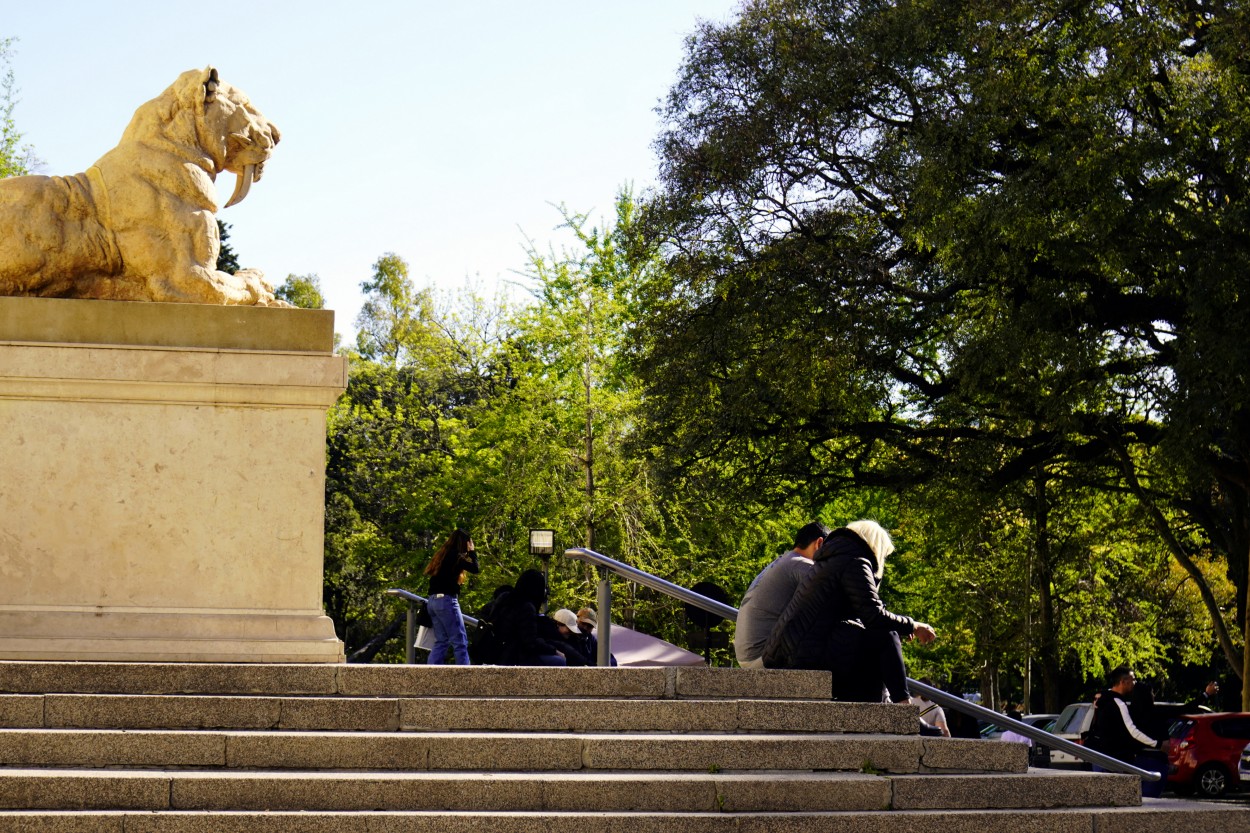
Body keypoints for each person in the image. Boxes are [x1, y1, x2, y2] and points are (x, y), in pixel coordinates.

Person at [762, 520, 936, 703]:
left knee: (875, 641)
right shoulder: (855, 560)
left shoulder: (835, 558)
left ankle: (879, 714)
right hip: (802, 656)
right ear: (876, 547)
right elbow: (873, 615)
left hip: (790, 652)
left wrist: (901, 626)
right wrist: (913, 626)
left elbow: (863, 609)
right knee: (885, 635)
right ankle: (903, 707)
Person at [733, 522, 829, 669]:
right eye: (828, 553)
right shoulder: (801, 564)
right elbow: (834, 592)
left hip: (747, 657)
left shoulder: (783, 561)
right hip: (761, 658)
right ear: (819, 543)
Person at [1085, 667, 1163, 787]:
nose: (1134, 683)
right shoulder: (1119, 703)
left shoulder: (1102, 699)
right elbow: (1132, 731)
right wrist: (1157, 744)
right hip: (1114, 758)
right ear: (1122, 681)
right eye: (1133, 679)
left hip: (1099, 755)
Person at [422, 529, 479, 665]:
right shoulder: (455, 556)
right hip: (446, 601)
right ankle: (465, 677)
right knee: (460, 641)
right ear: (464, 543)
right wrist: (472, 553)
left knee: (441, 641)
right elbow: (475, 569)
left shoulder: (442, 555)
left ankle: (431, 674)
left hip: (433, 601)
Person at [489, 569, 567, 666]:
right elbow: (530, 643)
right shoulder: (526, 607)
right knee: (559, 661)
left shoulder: (504, 598)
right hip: (514, 657)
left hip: (496, 652)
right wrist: (554, 651)